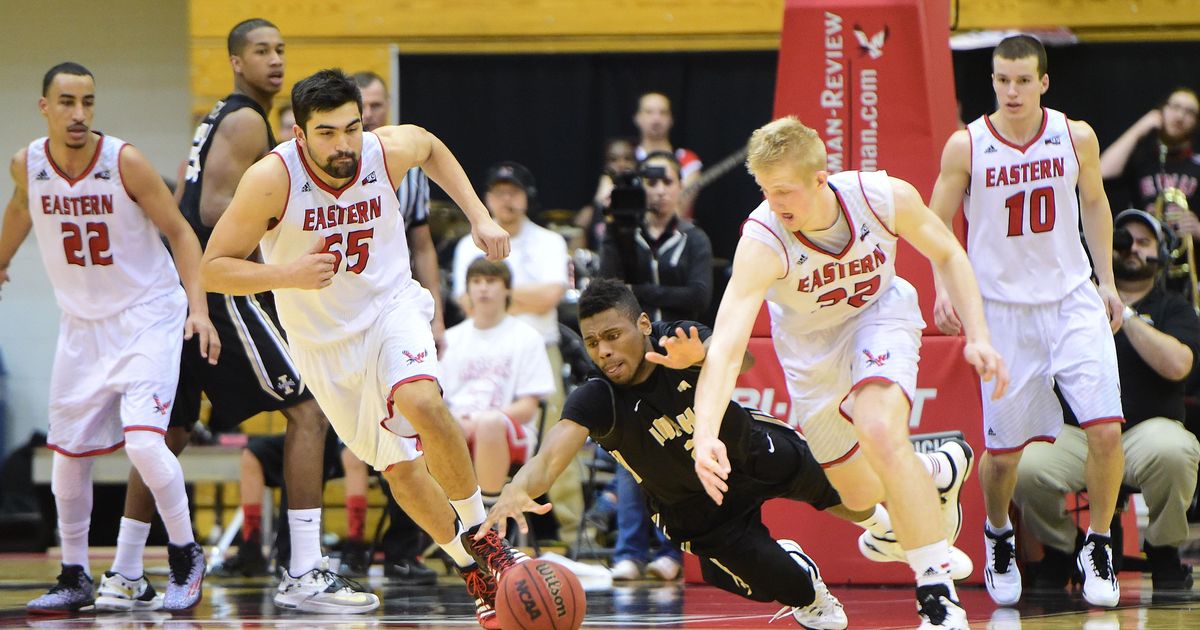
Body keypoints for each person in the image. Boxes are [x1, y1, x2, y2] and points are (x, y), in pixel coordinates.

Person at [201, 68, 524, 629]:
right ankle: (468, 566)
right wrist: (287, 274)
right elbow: (213, 269)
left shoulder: (382, 151)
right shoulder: (270, 179)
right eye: (327, 133)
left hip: (392, 306)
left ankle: (481, 534)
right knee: (399, 471)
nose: (344, 144)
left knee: (423, 401)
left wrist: (479, 216)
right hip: (324, 344)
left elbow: (430, 146)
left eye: (351, 128)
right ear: (300, 136)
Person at [692, 116, 1007, 630]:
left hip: (878, 317)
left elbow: (948, 251)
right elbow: (726, 344)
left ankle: (936, 591)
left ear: (820, 179)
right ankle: (935, 472)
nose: (775, 203)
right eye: (766, 191)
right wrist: (705, 432)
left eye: (784, 190)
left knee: (880, 428)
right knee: (858, 496)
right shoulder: (763, 240)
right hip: (811, 356)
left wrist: (980, 336)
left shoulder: (881, 198)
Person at [112, 19, 375, 614]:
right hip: (217, 287)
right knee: (308, 408)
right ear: (235, 61)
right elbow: (211, 208)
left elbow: (187, 195)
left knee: (169, 432)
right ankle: (305, 570)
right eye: (261, 51)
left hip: (182, 291)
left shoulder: (219, 116)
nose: (275, 61)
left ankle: (125, 572)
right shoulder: (247, 118)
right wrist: (276, 242)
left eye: (281, 49)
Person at [481, 279, 861, 627]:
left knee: (853, 495)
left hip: (751, 451)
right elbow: (548, 459)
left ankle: (888, 531)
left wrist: (698, 359)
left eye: (613, 335)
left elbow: (742, 360)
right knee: (789, 587)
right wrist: (518, 488)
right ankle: (802, 589)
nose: (605, 351)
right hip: (699, 511)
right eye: (593, 342)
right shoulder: (597, 398)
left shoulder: (678, 340)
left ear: (643, 325)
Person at [0, 62, 215, 613]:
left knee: (144, 441)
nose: (79, 114)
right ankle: (74, 573)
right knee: (68, 456)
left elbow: (181, 232)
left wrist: (199, 309)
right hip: (82, 326)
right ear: (44, 106)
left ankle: (186, 556)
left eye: (88, 103)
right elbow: (23, 208)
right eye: (67, 102)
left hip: (147, 315)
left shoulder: (125, 162)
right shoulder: (28, 165)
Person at [929, 34, 1126, 609]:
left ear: (1043, 82)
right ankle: (998, 535)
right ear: (992, 81)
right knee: (1005, 455)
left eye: (1022, 80)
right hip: (1001, 312)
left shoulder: (1075, 136)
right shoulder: (966, 146)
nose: (1011, 91)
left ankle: (1099, 542)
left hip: (1071, 301)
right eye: (1001, 80)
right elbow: (933, 222)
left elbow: (1095, 203)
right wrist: (944, 287)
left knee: (1106, 429)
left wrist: (1107, 281)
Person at [1013, 209, 1199, 595]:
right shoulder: (1070, 303)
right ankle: (1063, 548)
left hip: (1143, 434)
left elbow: (1179, 365)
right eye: (1122, 240)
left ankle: (1163, 549)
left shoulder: (1173, 307)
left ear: (1161, 254)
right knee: (1023, 465)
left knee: (1175, 450)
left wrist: (1123, 312)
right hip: (1076, 433)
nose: (1131, 248)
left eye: (1144, 242)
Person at [451, 161, 583, 541]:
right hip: (483, 350)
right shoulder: (467, 243)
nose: (506, 199)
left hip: (538, 348)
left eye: (514, 192)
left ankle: (569, 531)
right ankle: (458, 536)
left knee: (561, 438)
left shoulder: (549, 241)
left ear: (527, 198)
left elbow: (550, 296)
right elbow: (465, 301)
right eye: (499, 192)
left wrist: (501, 294)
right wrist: (521, 294)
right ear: (487, 197)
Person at [443, 258, 555, 501]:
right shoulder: (450, 340)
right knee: (438, 427)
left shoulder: (527, 337)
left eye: (491, 281)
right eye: (476, 281)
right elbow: (439, 402)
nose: (483, 288)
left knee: (490, 424)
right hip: (459, 426)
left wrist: (479, 420)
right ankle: (447, 518)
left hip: (510, 430)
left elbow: (527, 408)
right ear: (468, 289)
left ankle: (489, 515)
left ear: (507, 289)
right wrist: (462, 422)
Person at [599, 150, 713, 322]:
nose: (660, 191)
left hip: (681, 337)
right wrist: (612, 224)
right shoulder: (624, 233)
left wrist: (636, 290)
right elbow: (608, 291)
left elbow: (698, 297)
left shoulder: (694, 237)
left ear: (681, 186)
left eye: (668, 182)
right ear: (639, 188)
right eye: (651, 183)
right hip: (636, 340)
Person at [1099, 88, 1200, 219]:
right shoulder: (1142, 158)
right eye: (1175, 107)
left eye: (1190, 112)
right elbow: (1102, 172)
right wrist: (1140, 127)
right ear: (1161, 110)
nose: (1180, 117)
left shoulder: (1197, 165)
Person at [633, 93, 702, 214]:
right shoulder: (626, 160)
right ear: (637, 117)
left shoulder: (687, 160)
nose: (656, 119)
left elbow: (678, 211)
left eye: (663, 112)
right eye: (649, 112)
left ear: (671, 119)